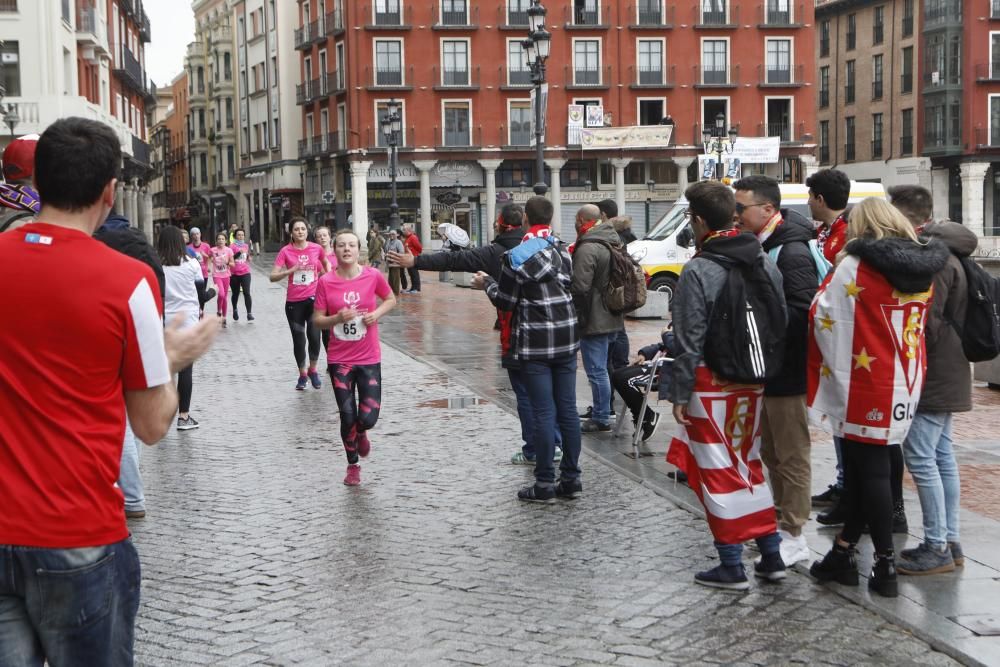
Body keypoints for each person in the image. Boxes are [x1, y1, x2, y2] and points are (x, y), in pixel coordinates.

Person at [0, 117, 218, 664]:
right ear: (109, 190)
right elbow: (150, 424)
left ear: (39, 183)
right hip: (78, 533)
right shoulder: (128, 280)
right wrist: (171, 359)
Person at [807, 198, 949, 599]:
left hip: (865, 378)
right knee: (883, 461)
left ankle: (884, 562)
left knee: (866, 468)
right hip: (904, 375)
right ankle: (844, 551)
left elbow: (824, 313)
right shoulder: (925, 268)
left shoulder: (855, 265)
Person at [666, 180, 787, 591]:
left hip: (709, 379)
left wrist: (679, 392)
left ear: (698, 220)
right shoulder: (762, 258)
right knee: (747, 462)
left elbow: (688, 337)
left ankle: (732, 563)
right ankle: (771, 554)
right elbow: (780, 315)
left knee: (716, 469)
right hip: (752, 378)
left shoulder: (699, 267)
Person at [390, 204, 563, 466]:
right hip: (556, 331)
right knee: (551, 395)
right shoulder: (553, 246)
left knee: (527, 395)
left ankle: (536, 449)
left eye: (496, 220)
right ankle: (559, 448)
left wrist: (416, 261)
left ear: (503, 224)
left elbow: (454, 260)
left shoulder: (498, 253)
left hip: (519, 333)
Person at [733, 175, 819, 568]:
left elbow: (800, 312)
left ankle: (794, 532)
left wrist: (760, 332)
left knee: (791, 452)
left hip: (785, 369)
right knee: (771, 451)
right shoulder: (764, 245)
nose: (735, 215)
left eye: (741, 208)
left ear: (767, 210)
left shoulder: (792, 252)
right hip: (768, 367)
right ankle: (780, 522)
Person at [889, 186, 976, 575]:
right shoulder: (951, 253)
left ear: (908, 219)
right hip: (951, 369)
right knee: (941, 456)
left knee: (922, 458)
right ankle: (949, 540)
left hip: (935, 372)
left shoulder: (935, 260)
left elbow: (928, 323)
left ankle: (937, 545)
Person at [473, 196, 583, 503]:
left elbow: (506, 302)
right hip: (566, 337)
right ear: (551, 218)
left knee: (544, 412)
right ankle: (572, 478)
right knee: (568, 410)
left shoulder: (515, 256)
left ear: (524, 220)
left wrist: (488, 285)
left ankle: (545, 482)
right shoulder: (564, 248)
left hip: (535, 342)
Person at [95, 211, 167, 522]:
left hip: (110, 329)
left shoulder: (97, 242)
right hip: (145, 327)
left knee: (120, 418)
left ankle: (132, 495)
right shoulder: (141, 243)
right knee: (134, 414)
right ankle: (130, 488)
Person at [313, 229, 397, 486]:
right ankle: (352, 465)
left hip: (369, 357)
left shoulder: (372, 276)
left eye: (351, 245)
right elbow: (317, 321)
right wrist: (337, 318)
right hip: (340, 359)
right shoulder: (325, 282)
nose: (346, 249)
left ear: (359, 249)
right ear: (335, 250)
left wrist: (377, 314)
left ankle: (361, 432)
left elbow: (391, 298)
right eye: (341, 245)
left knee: (368, 417)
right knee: (346, 414)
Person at [806, 168, 853, 521]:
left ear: (820, 199)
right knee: (837, 416)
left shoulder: (847, 234)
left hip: (842, 333)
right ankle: (843, 481)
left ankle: (849, 487)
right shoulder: (823, 232)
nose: (808, 203)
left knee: (845, 416)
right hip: (825, 328)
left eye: (810, 197)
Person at [571, 203, 624, 433]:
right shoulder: (612, 240)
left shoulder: (588, 247)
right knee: (604, 367)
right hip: (612, 313)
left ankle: (602, 416)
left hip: (595, 317)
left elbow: (580, 287)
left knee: (596, 370)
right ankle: (604, 409)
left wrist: (579, 317)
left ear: (582, 220)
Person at [158, 225, 212, 432]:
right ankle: (184, 416)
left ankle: (162, 415)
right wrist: (212, 292)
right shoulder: (191, 263)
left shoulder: (157, 265)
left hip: (164, 320)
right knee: (186, 369)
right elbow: (200, 291)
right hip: (188, 319)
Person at [270, 217, 331, 390]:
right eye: (296, 229)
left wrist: (328, 278)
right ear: (291, 232)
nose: (300, 232)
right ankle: (302, 374)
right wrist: (290, 270)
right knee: (299, 340)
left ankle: (313, 370)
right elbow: (272, 276)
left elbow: (326, 264)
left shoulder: (316, 248)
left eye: (303, 229)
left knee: (314, 337)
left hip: (314, 300)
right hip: (294, 302)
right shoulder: (285, 251)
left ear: (307, 231)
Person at [210, 232, 235, 327]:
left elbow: (233, 264)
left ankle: (224, 317)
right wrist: (208, 264)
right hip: (217, 275)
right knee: (221, 294)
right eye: (219, 239)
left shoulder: (229, 250)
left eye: (222, 239)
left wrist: (227, 262)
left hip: (226, 276)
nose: (221, 240)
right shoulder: (212, 250)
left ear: (226, 241)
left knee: (224, 297)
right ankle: (219, 311)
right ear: (216, 241)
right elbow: (207, 257)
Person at [230, 228, 254, 321]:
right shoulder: (231, 246)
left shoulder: (246, 245)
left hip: (245, 272)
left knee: (246, 293)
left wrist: (249, 257)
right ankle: (235, 310)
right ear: (235, 236)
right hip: (234, 273)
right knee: (235, 294)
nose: (241, 236)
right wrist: (238, 253)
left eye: (242, 235)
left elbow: (246, 256)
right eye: (239, 235)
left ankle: (249, 313)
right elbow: (230, 258)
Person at [401, 223, 423, 293]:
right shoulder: (408, 238)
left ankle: (416, 288)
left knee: (414, 273)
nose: (403, 231)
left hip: (413, 259)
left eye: (404, 230)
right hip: (409, 259)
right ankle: (413, 288)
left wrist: (415, 255)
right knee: (411, 274)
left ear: (408, 230)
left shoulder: (413, 237)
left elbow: (419, 248)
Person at [385, 229, 406, 296]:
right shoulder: (388, 242)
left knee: (395, 278)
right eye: (390, 234)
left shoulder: (398, 242)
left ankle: (396, 293)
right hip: (389, 262)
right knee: (390, 278)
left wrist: (396, 259)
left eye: (393, 234)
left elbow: (401, 252)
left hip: (395, 263)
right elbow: (386, 250)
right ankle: (391, 292)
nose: (391, 235)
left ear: (397, 235)